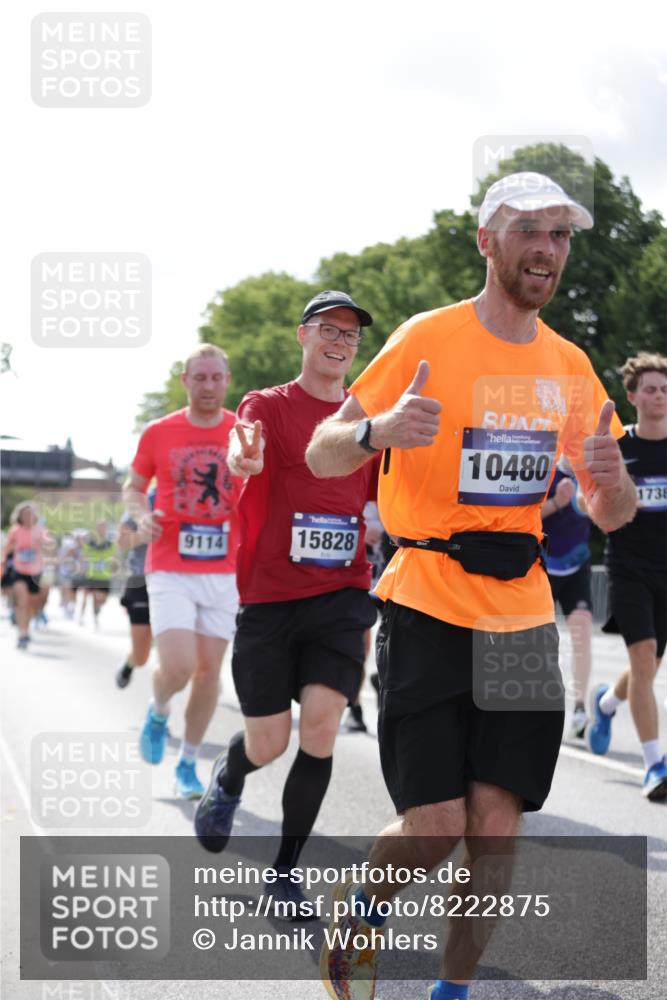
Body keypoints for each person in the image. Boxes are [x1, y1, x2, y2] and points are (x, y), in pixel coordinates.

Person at [306, 172, 637, 1000]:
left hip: (520, 616)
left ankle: (452, 991)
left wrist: (609, 482)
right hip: (426, 601)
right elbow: (323, 448)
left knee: (496, 831)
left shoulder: (568, 365)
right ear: (486, 240)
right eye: (530, 229)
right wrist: (378, 430)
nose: (548, 249)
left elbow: (612, 508)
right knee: (437, 826)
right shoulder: (428, 338)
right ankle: (364, 917)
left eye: (561, 235)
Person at [194, 291, 380, 914]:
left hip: (342, 594)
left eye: (351, 336)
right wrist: (242, 462)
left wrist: (383, 518)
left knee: (323, 726)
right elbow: (241, 452)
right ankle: (229, 777)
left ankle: (284, 872)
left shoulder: (367, 417)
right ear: (303, 335)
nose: (340, 342)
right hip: (270, 597)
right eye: (329, 329)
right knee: (268, 741)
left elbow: (386, 489)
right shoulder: (268, 405)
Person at [123, 344, 243, 800]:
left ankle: (188, 763)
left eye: (216, 377)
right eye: (200, 377)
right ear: (185, 381)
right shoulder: (159, 432)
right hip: (170, 563)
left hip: (226, 567)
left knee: (210, 671)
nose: (208, 386)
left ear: (227, 381)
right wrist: (138, 515)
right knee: (178, 665)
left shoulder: (243, 431)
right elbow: (134, 487)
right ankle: (158, 711)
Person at [587, 352, 667, 801]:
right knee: (644, 658)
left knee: (649, 668)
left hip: (666, 571)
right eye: (651, 389)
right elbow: (593, 498)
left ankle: (605, 704)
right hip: (628, 568)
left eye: (665, 389)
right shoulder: (622, 446)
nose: (659, 396)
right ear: (633, 396)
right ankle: (655, 764)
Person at [541, 455, 593, 738]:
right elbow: (524, 517)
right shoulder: (546, 467)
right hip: (545, 566)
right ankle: (536, 706)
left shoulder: (591, 472)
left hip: (578, 565)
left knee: (582, 631)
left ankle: (581, 707)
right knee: (542, 641)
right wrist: (557, 503)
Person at [115, 488, 156, 689]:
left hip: (183, 580)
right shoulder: (145, 500)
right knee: (142, 656)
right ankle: (129, 663)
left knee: (178, 649)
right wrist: (145, 534)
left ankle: (159, 708)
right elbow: (122, 540)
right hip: (142, 581)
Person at [1, 501, 51, 649]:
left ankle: (26, 629)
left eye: (30, 514)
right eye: (24, 514)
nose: (27, 516)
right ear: (19, 516)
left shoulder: (41, 530)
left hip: (36, 572)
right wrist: (6, 555)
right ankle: (21, 633)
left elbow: (49, 549)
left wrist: (42, 544)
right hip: (19, 570)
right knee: (21, 602)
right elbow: (8, 549)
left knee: (30, 604)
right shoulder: (15, 531)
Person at [79, 520, 117, 628]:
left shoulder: (110, 544)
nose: (102, 529)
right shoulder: (91, 542)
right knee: (88, 596)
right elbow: (84, 556)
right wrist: (82, 568)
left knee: (102, 599)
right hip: (92, 575)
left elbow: (114, 558)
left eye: (104, 527)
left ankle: (97, 610)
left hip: (105, 576)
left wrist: (114, 569)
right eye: (100, 527)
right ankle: (82, 616)